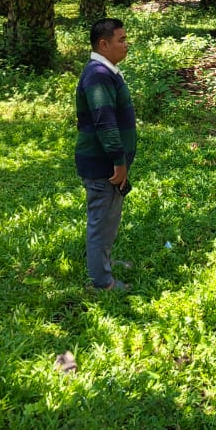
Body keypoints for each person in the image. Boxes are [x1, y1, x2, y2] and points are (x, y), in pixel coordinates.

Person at [76, 18, 136, 291]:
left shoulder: (105, 71)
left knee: (110, 217)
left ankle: (104, 263)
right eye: (121, 40)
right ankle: (102, 282)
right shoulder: (98, 75)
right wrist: (118, 162)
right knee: (101, 221)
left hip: (108, 163)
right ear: (103, 44)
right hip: (103, 165)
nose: (126, 45)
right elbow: (105, 122)